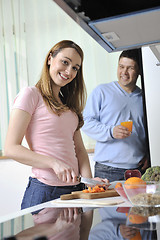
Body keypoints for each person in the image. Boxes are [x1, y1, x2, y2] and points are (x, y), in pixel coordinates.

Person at [4, 40, 107, 209]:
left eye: (75, 68)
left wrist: (89, 182)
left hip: (75, 191)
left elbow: (80, 150)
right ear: (50, 58)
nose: (69, 71)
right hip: (45, 191)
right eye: (65, 62)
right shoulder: (31, 95)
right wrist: (54, 163)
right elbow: (11, 148)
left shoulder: (69, 106)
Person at [82, 49, 149, 182]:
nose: (124, 72)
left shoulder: (145, 98)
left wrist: (149, 154)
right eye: (121, 66)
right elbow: (86, 122)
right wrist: (111, 131)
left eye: (130, 68)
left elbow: (149, 132)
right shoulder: (102, 91)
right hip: (107, 170)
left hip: (139, 170)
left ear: (139, 71)